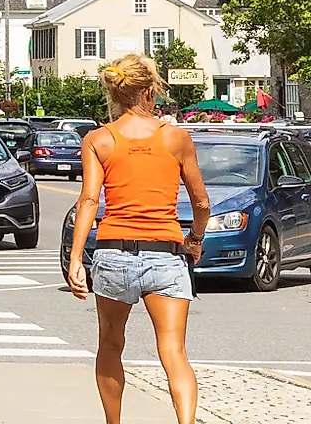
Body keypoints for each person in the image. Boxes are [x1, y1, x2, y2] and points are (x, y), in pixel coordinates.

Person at [68, 51, 208, 424]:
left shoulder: (99, 139)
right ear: (150, 93)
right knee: (174, 351)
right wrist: (194, 239)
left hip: (113, 254)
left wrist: (76, 258)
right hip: (165, 256)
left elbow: (88, 201)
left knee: (111, 344)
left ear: (116, 94)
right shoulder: (175, 138)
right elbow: (202, 202)